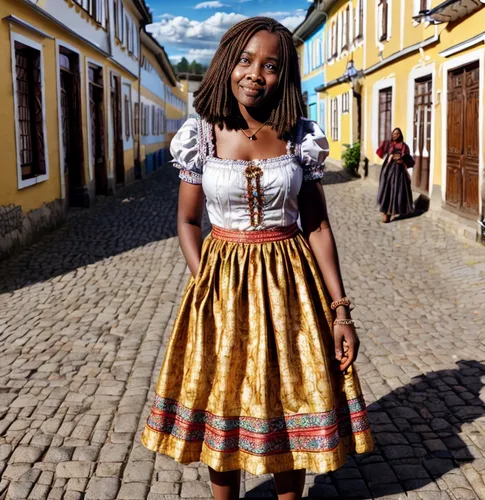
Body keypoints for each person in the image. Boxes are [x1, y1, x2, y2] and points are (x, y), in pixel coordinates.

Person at [141, 17, 373, 500]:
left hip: (293, 287)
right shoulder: (201, 134)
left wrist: (341, 310)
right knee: (223, 400)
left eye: (270, 65)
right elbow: (188, 222)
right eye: (245, 60)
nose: (254, 74)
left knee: (294, 397)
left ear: (283, 74)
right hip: (221, 288)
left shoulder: (299, 136)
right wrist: (205, 277)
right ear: (227, 63)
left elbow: (318, 226)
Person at [376, 128, 415, 223]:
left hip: (399, 172)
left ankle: (394, 210)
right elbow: (380, 153)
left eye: (397, 134)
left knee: (397, 191)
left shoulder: (404, 146)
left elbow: (408, 159)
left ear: (400, 135)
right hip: (388, 170)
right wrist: (384, 146)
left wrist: (402, 160)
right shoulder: (389, 144)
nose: (395, 135)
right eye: (393, 134)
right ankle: (386, 212)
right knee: (387, 189)